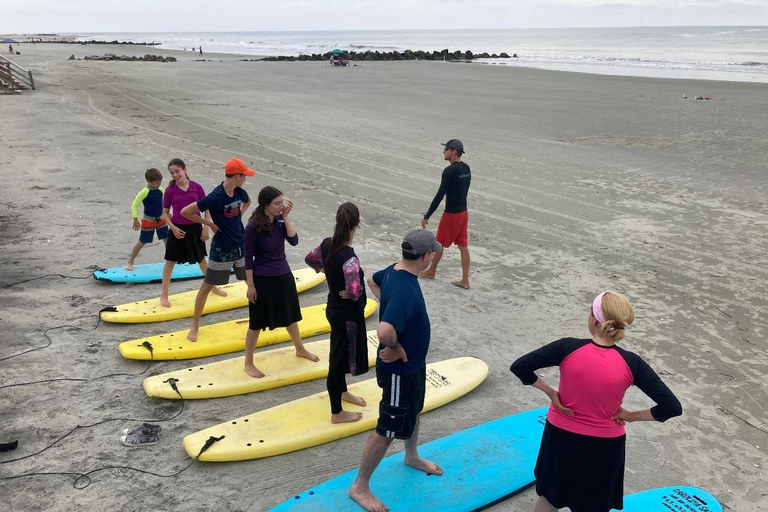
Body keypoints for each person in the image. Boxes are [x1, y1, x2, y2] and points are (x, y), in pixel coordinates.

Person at [510, 291, 683, 512]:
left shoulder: (566, 347)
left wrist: (551, 393)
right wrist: (629, 416)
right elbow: (672, 407)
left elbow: (520, 367)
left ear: (594, 320)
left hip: (560, 437)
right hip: (604, 447)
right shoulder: (632, 363)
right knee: (592, 506)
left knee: (549, 497)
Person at [348, 229, 444, 512]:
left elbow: (371, 280)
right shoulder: (403, 288)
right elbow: (384, 329)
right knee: (388, 428)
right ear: (425, 257)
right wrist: (397, 346)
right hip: (400, 371)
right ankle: (360, 486)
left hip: (413, 366)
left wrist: (386, 306)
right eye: (432, 254)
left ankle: (411, 456)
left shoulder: (394, 271)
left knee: (412, 411)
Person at [242, 186, 319, 377]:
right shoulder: (253, 226)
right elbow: (248, 258)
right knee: (256, 323)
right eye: (277, 204)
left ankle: (300, 348)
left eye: (281, 202)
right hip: (262, 279)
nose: (280, 206)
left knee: (290, 316)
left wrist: (285, 217)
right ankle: (248, 363)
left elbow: (294, 241)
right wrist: (250, 285)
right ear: (266, 205)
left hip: (283, 274)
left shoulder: (280, 220)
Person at [305, 202, 369, 423]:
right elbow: (353, 291)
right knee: (337, 360)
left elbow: (310, 259)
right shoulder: (349, 258)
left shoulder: (326, 245)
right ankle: (337, 413)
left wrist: (328, 273)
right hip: (347, 316)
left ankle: (343, 392)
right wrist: (353, 291)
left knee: (338, 354)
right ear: (357, 224)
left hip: (333, 308)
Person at [181, 158, 254, 341]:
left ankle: (264, 315)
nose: (245, 179)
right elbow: (185, 212)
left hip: (241, 245)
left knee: (251, 282)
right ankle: (195, 326)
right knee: (206, 287)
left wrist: (239, 217)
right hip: (222, 250)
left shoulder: (239, 191)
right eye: (244, 176)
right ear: (236, 176)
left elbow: (248, 201)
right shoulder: (216, 196)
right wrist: (209, 224)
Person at [159, 158, 225, 307]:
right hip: (177, 229)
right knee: (170, 262)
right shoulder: (170, 190)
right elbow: (165, 213)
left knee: (202, 260)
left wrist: (206, 228)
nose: (175, 175)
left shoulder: (197, 187)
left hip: (196, 229)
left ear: (185, 169)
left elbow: (207, 208)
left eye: (177, 171)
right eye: (172, 173)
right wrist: (173, 228)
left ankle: (213, 287)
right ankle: (164, 296)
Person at [420, 139, 471, 289]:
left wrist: (427, 215)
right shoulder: (466, 168)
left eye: (446, 149)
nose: (444, 151)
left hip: (452, 215)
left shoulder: (450, 171)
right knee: (463, 246)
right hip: (463, 213)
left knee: (439, 244)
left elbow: (440, 195)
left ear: (454, 151)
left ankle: (431, 271)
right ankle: (465, 280)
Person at [126, 168, 168, 271]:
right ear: (148, 181)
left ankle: (170, 260)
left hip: (161, 220)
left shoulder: (161, 190)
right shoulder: (144, 192)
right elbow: (134, 205)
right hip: (148, 221)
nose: (159, 185)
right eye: (157, 183)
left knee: (167, 240)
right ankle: (130, 262)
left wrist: (168, 215)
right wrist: (135, 220)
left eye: (160, 182)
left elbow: (165, 204)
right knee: (142, 241)